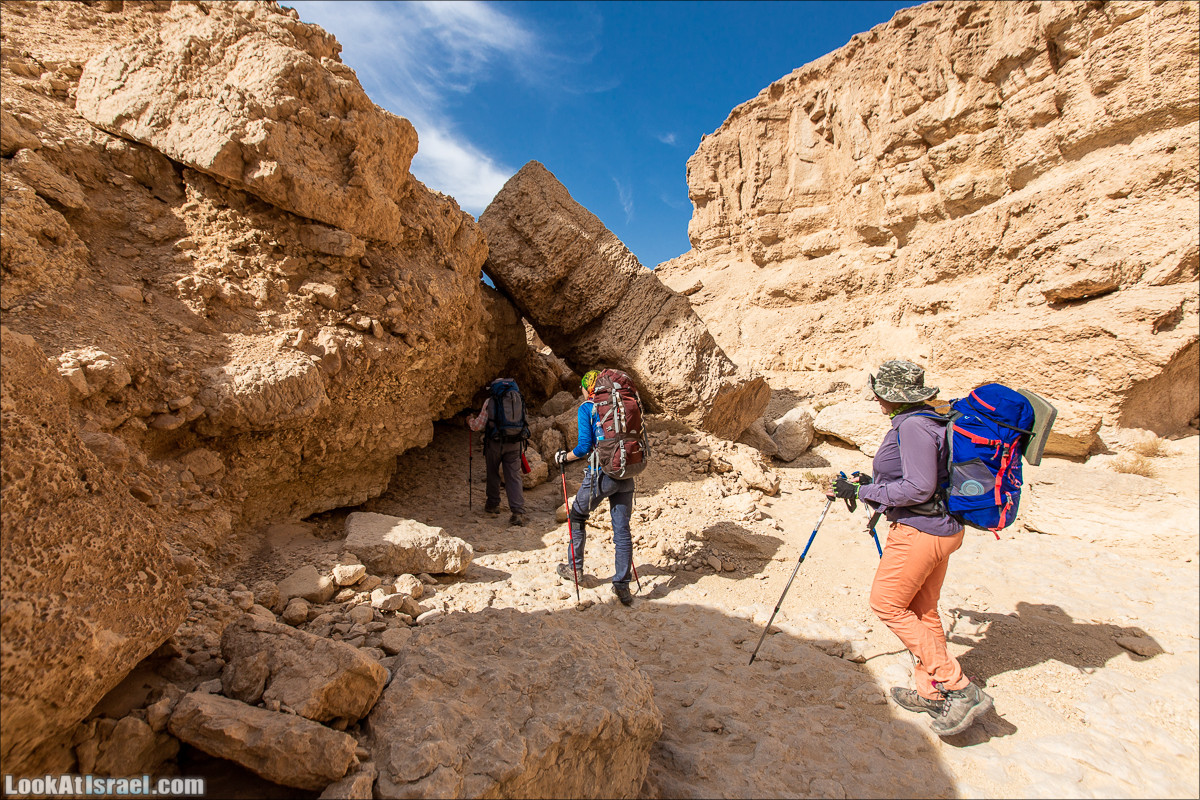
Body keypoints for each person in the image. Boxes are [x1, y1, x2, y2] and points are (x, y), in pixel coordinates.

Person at [827, 359, 993, 737]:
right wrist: (874, 482)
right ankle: (931, 692)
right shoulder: (926, 420)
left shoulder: (915, 426)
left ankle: (958, 686)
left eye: (880, 392)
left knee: (886, 603)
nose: (876, 398)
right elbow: (919, 480)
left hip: (920, 532)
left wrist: (863, 491)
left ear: (894, 396)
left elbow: (918, 487)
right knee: (923, 609)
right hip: (936, 527)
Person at [553, 370, 636, 606]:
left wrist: (564, 457)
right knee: (622, 530)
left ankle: (574, 569)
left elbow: (583, 447)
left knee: (577, 515)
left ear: (587, 388)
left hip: (601, 473)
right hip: (625, 472)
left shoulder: (587, 408)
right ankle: (622, 585)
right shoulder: (620, 404)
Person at [468, 378, 527, 527]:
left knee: (493, 472)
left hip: (495, 443)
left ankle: (493, 505)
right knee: (513, 476)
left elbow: (477, 426)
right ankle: (517, 512)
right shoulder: (518, 399)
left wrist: (469, 420)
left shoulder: (490, 401)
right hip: (515, 443)